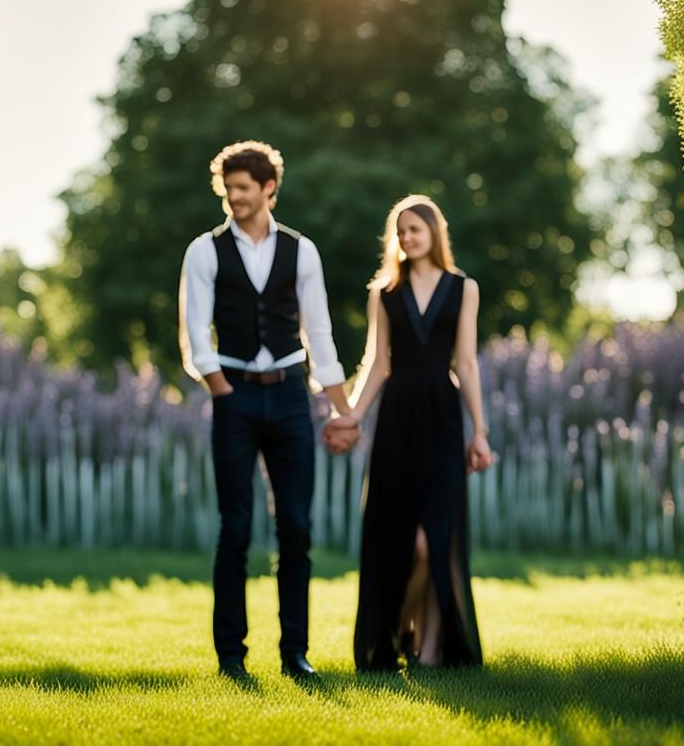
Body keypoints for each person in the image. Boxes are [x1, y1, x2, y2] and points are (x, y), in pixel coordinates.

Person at [178, 140, 356, 682]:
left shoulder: (302, 251)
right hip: (233, 394)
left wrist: (342, 408)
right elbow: (193, 331)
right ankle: (231, 657)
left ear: (269, 190)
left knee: (296, 528)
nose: (233, 198)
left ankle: (295, 655)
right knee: (235, 529)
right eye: (227, 189)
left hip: (289, 397)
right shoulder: (204, 251)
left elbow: (319, 332)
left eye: (243, 189)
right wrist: (219, 387)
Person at [327, 194, 493, 671]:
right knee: (395, 538)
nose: (406, 238)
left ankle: (427, 645)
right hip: (397, 422)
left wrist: (479, 432)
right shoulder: (385, 293)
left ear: (434, 232)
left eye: (415, 229)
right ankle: (400, 631)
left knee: (433, 541)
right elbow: (377, 363)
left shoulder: (465, 289)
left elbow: (466, 362)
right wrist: (353, 415)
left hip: (442, 419)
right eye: (400, 232)